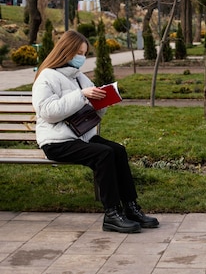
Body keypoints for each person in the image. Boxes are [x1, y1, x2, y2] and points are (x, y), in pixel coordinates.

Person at [32, 30, 159, 233]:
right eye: (79, 53)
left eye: (84, 53)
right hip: (56, 141)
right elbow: (48, 112)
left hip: (81, 136)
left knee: (118, 150)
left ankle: (131, 207)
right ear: (66, 51)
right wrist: (81, 95)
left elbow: (91, 112)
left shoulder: (79, 77)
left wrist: (103, 101)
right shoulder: (46, 77)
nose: (81, 58)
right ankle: (111, 214)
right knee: (103, 154)